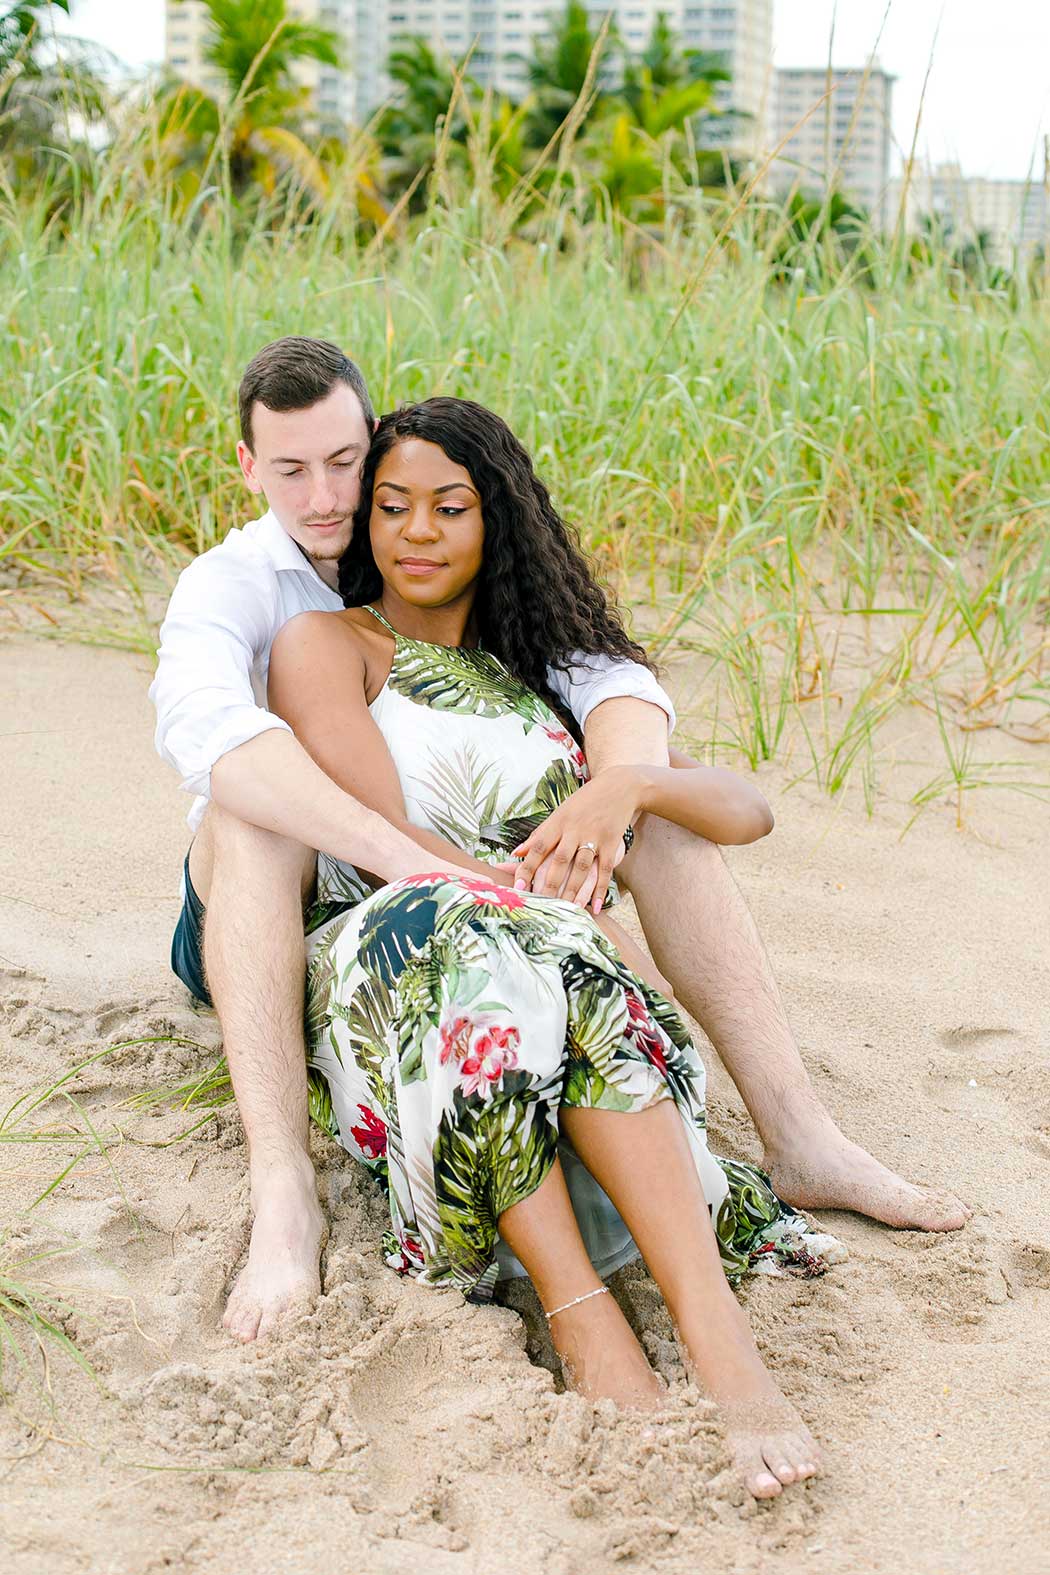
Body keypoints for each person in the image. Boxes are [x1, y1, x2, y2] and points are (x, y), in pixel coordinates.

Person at [149, 338, 966, 1350]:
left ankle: (801, 1136)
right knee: (254, 806)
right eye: (289, 469)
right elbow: (213, 737)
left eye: (347, 463)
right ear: (247, 468)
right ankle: (283, 1190)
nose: (325, 496)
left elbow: (617, 687)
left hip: (488, 892)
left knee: (651, 817)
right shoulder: (239, 586)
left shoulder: (456, 561)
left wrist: (617, 793)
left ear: (379, 440)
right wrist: (458, 879)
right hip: (269, 905)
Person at [266, 396, 844, 1500]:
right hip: (392, 945)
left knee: (541, 961)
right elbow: (383, 835)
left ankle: (713, 1335)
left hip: (547, 959)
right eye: (392, 508)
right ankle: (583, 1316)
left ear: (500, 521)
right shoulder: (326, 644)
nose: (418, 532)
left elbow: (745, 812)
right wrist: (535, 900)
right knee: (489, 940)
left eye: (450, 507)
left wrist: (625, 783)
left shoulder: (545, 670)